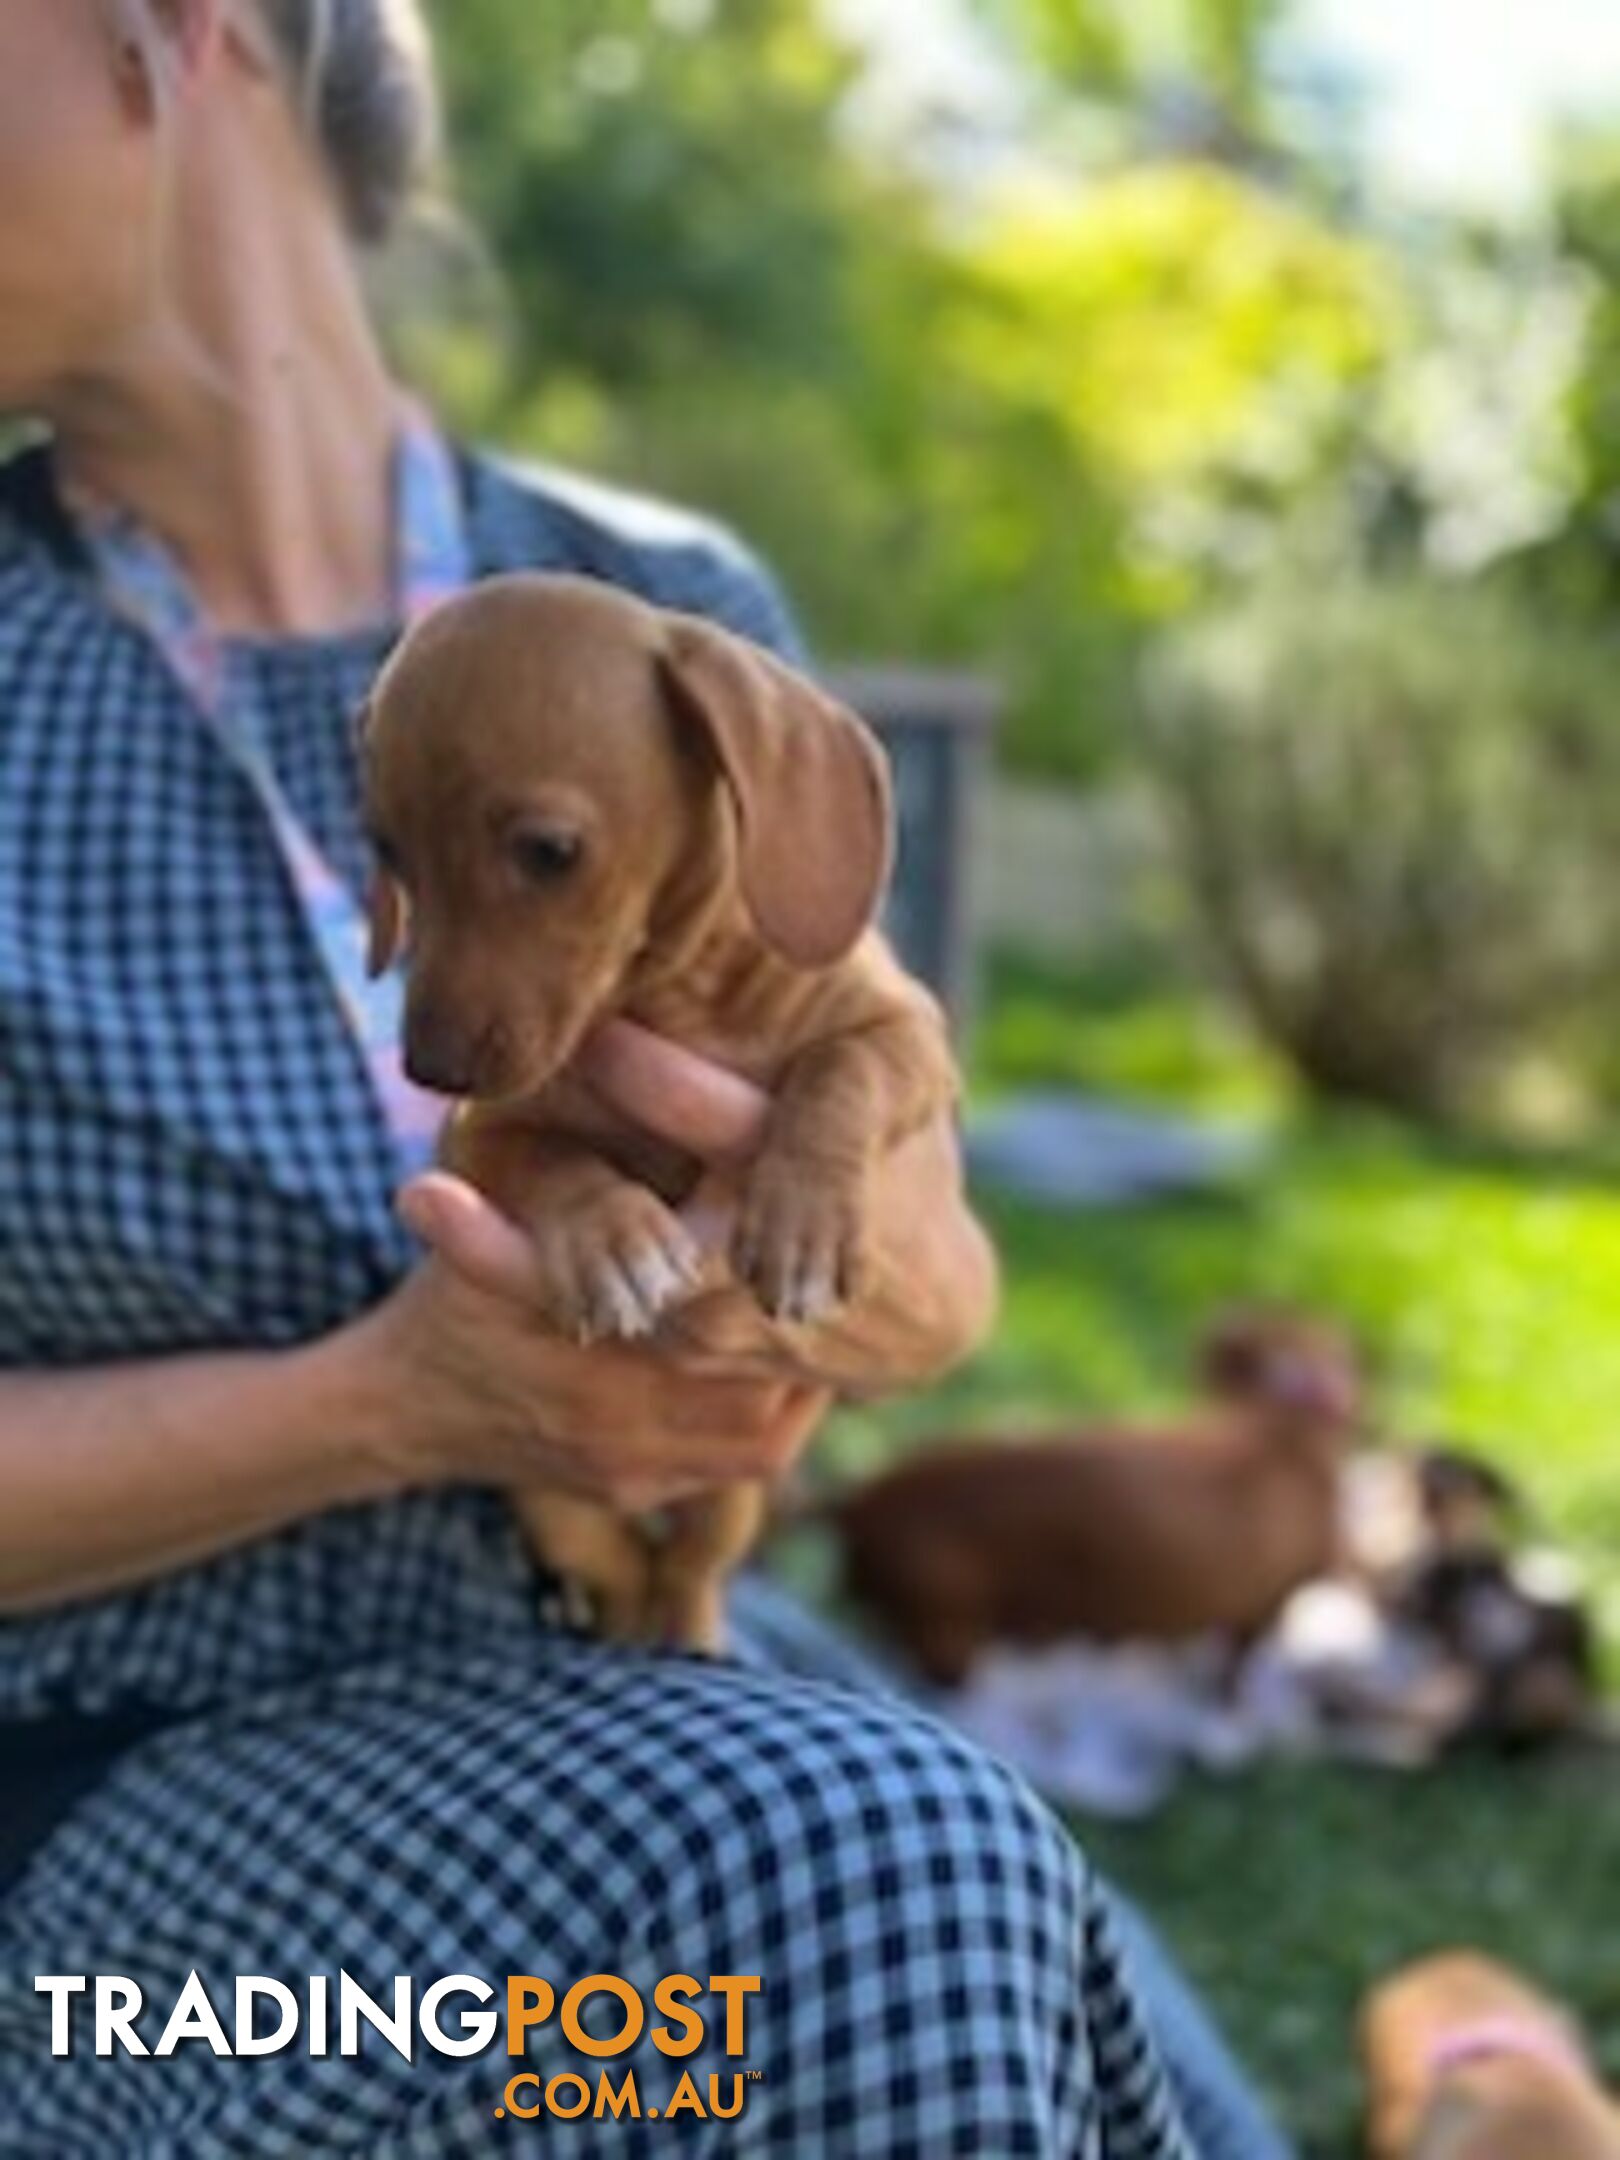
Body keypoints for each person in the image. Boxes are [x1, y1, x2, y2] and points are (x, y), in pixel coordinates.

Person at [0, 2, 1288, 2151]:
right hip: (114, 1937)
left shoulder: (675, 619)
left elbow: (936, 1279)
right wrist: (385, 1404)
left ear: (173, 32)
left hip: (671, 1687)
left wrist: (831, 1254)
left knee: (962, 1969)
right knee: (842, 1927)